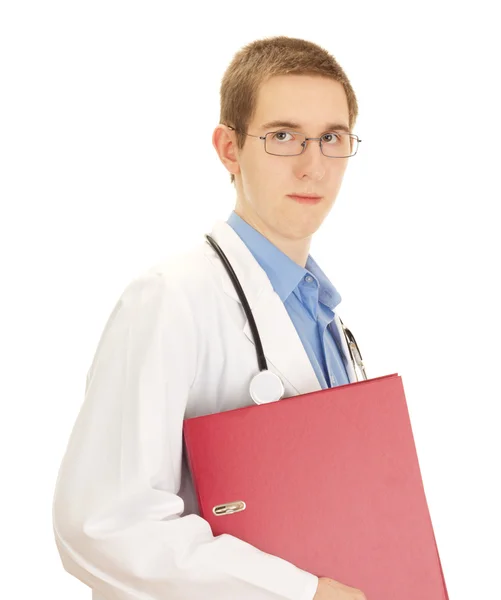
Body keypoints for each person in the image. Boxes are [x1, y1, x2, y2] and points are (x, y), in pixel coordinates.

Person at [53, 35, 368, 600]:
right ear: (228, 148)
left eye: (331, 138)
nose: (312, 165)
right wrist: (302, 594)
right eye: (283, 137)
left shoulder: (326, 318)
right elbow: (104, 526)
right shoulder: (170, 299)